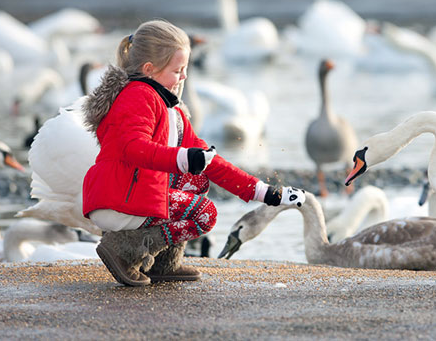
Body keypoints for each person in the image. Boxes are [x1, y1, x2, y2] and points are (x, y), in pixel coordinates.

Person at [81, 20, 304, 287]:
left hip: (132, 191)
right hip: (119, 198)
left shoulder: (171, 111)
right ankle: (126, 249)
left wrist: (263, 192)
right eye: (178, 70)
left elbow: (210, 163)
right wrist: (183, 159)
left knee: (197, 181)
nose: (184, 76)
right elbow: (133, 148)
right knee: (205, 214)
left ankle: (164, 264)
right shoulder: (138, 96)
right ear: (149, 69)